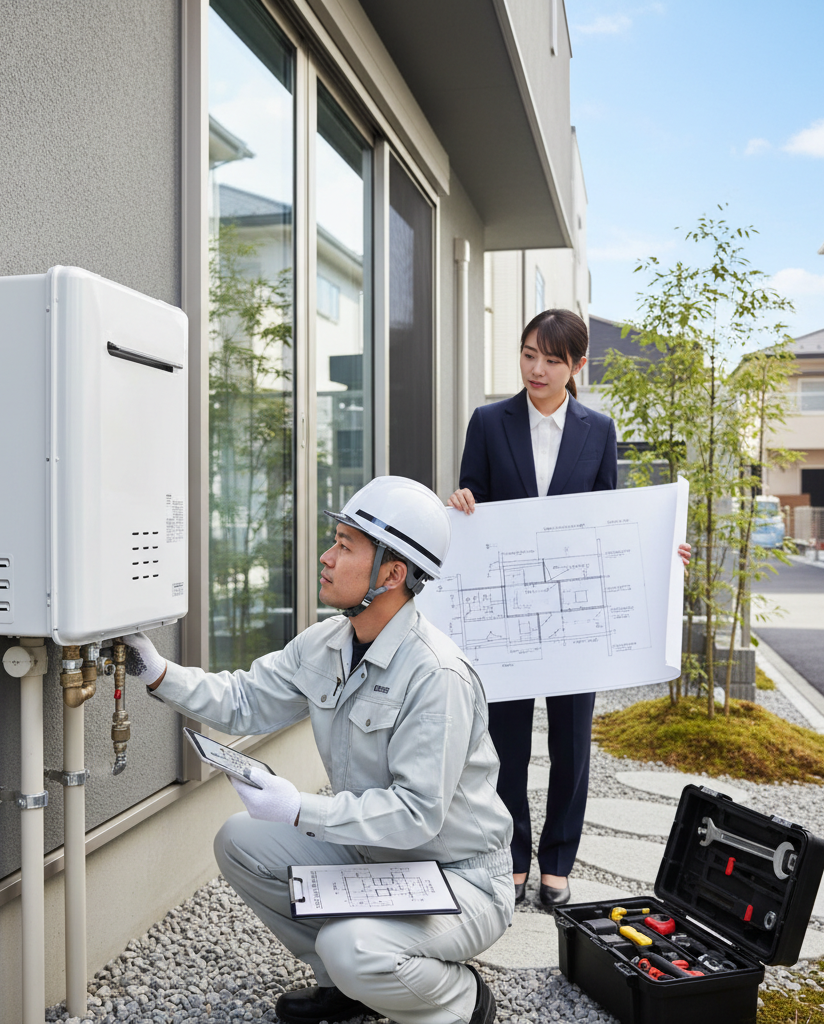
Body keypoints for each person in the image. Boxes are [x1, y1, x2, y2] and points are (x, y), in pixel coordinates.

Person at [122, 475, 514, 1024]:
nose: (326, 558)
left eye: (345, 546)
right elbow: (243, 700)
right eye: (334, 541)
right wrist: (158, 672)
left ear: (392, 574)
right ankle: (349, 990)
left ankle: (461, 1002)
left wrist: (301, 808)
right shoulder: (328, 642)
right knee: (240, 840)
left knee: (353, 946)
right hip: (375, 855)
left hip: (459, 878)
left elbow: (415, 816)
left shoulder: (436, 675)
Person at [448, 308, 689, 909]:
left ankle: (557, 860)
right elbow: (471, 496)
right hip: (506, 613)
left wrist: (661, 552)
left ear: (577, 365)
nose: (537, 368)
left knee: (572, 744)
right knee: (505, 744)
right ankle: (511, 858)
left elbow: (610, 522)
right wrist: (461, 500)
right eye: (529, 354)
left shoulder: (598, 430)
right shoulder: (486, 421)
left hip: (575, 617)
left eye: (552, 360)